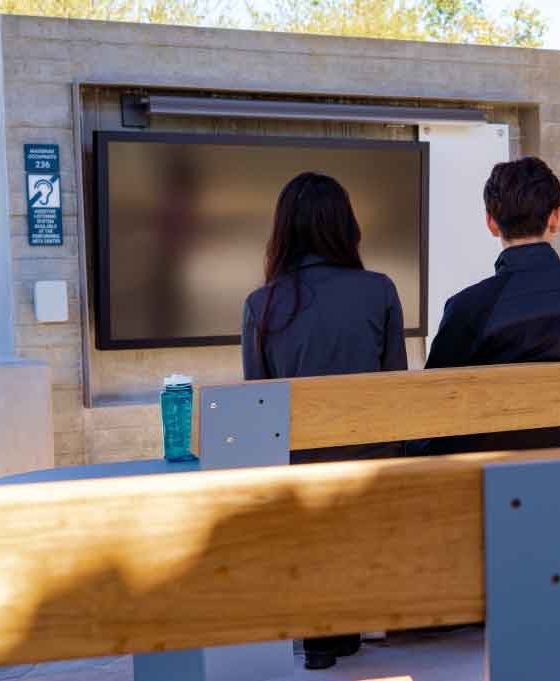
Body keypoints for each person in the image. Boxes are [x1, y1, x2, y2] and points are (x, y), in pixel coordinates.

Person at [241, 171, 407, 670]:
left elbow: (258, 404)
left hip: (301, 478)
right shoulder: (380, 291)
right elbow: (394, 387)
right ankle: (345, 624)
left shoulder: (261, 304)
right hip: (368, 473)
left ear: (283, 231)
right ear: (346, 227)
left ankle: (321, 635)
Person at [416, 156, 560, 454]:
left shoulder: (470, 308)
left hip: (503, 484)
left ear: (491, 222)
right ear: (556, 217)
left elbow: (433, 403)